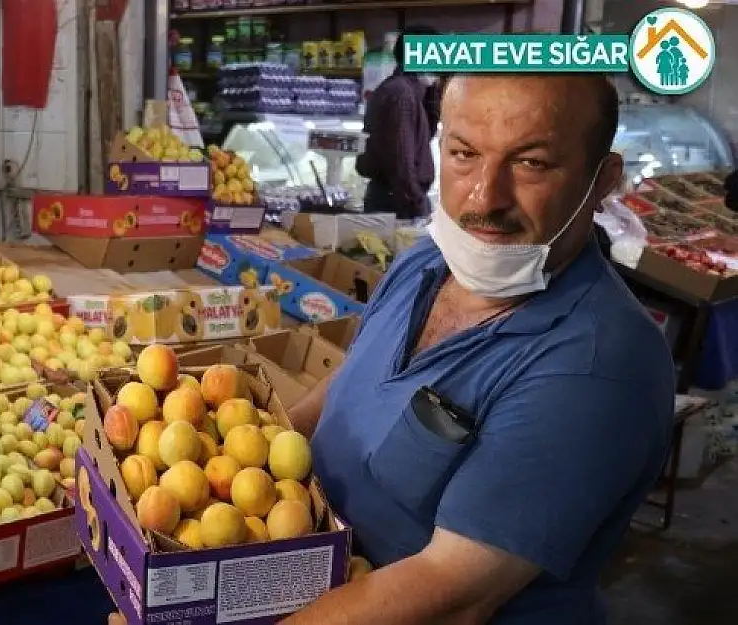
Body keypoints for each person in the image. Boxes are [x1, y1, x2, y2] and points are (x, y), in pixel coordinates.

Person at [282, 75, 675, 624]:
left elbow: (452, 595)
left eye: (531, 163)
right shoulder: (424, 264)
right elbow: (355, 379)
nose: (484, 196)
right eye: (464, 154)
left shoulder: (598, 365)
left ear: (602, 177)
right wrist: (251, 442)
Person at [356, 26, 440, 219]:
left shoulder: (413, 91)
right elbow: (402, 162)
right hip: (397, 202)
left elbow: (425, 137)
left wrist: (432, 93)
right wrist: (418, 207)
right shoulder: (401, 95)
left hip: (399, 198)